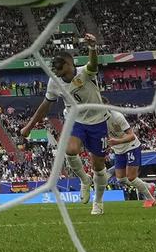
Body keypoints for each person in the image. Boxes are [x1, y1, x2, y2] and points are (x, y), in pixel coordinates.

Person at [20, 34, 110, 215]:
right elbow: (45, 106)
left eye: (59, 68)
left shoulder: (84, 72)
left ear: (69, 65)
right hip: (75, 119)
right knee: (69, 149)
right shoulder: (54, 82)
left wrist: (92, 48)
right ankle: (85, 180)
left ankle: (98, 202)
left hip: (98, 121)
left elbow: (93, 64)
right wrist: (29, 126)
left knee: (99, 167)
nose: (57, 72)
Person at [106, 110, 156, 208]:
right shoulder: (96, 120)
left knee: (131, 177)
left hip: (131, 146)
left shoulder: (117, 117)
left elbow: (131, 136)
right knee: (121, 179)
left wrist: (117, 141)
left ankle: (150, 199)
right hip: (118, 150)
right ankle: (148, 186)